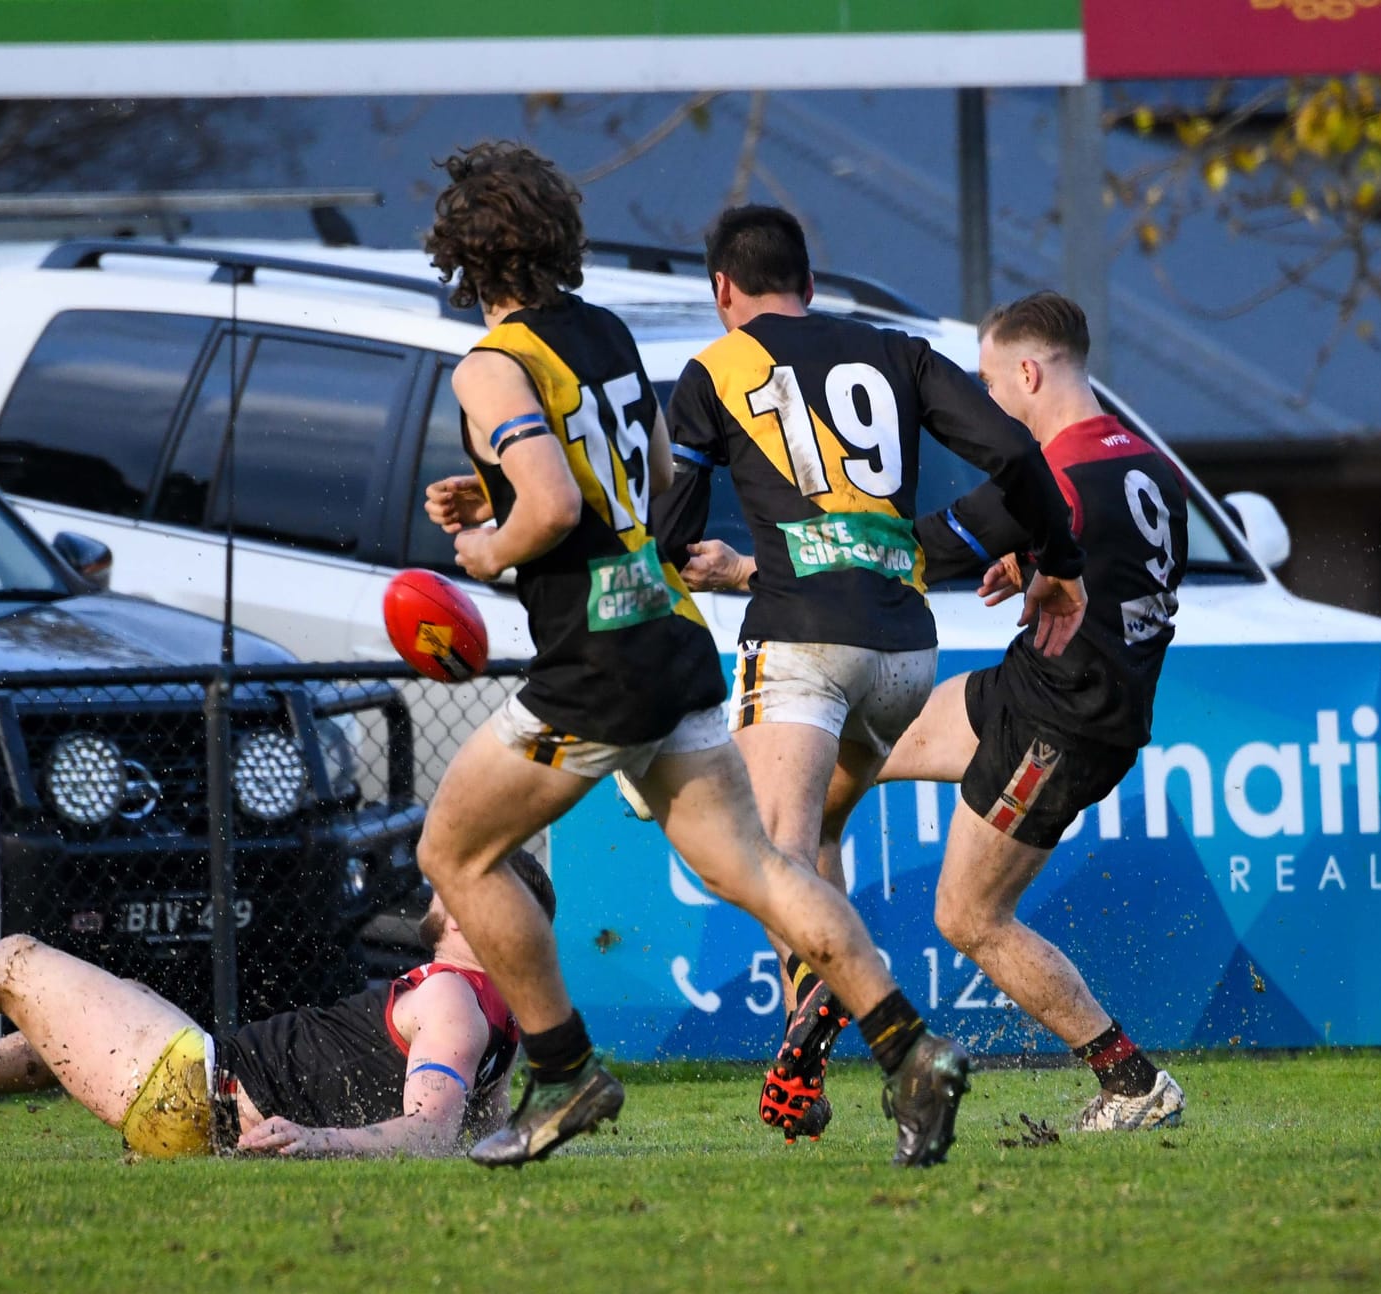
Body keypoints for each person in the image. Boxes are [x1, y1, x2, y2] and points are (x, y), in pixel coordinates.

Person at [416, 141, 967, 1169]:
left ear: (462, 255)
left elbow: (554, 503)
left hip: (594, 665)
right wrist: (495, 491)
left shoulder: (490, 365)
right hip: (671, 640)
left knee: (453, 855)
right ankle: (908, 1049)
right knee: (756, 865)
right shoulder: (608, 333)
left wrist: (488, 542)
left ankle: (563, 1071)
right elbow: (652, 473)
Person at [690, 292, 1188, 1131]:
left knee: (967, 916)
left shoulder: (1055, 476)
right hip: (1040, 688)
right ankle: (816, 993)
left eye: (994, 385)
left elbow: (898, 553)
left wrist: (747, 569)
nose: (991, 403)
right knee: (837, 776)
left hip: (1059, 724)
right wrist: (1032, 562)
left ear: (1029, 373)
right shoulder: (1145, 463)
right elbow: (1119, 577)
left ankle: (1133, 1081)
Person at [654, 205, 1088, 1143]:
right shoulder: (896, 350)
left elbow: (665, 536)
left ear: (722, 291)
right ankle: (806, 1067)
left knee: (771, 860)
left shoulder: (713, 369)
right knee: (820, 841)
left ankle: (847, 1013)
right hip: (904, 650)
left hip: (801, 644)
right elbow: (1016, 453)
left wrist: (722, 569)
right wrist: (1057, 560)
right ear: (808, 286)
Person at [0, 852, 557, 1159]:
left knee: (16, 963)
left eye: (474, 876)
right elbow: (472, 1140)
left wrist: (316, 1140)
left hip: (204, 1097)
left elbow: (429, 1131)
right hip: (207, 1092)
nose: (450, 876)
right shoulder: (489, 1018)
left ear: (493, 910)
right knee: (84, 1017)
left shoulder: (453, 996)